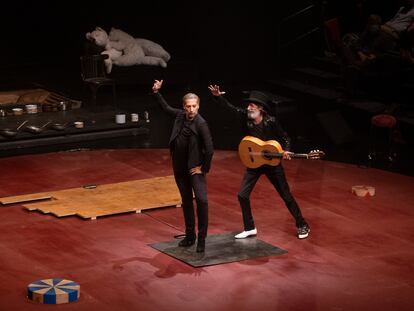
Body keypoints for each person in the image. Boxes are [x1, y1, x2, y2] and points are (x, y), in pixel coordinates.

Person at [208, 85, 310, 239]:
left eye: (252, 105)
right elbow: (230, 108)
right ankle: (250, 228)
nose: (248, 108)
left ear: (260, 109)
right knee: (242, 195)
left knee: (286, 195)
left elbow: (285, 138)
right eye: (248, 105)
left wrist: (286, 150)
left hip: (272, 165)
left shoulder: (271, 121)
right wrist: (217, 97)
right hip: (254, 163)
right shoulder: (245, 117)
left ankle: (302, 225)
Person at [152, 79, 214, 252]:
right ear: (184, 106)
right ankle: (190, 236)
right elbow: (165, 108)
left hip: (194, 169)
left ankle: (201, 239)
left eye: (194, 106)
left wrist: (203, 168)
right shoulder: (180, 116)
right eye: (188, 106)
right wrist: (156, 92)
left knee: (202, 201)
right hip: (179, 167)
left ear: (198, 106)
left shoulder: (201, 124)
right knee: (186, 201)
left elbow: (209, 149)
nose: (191, 109)